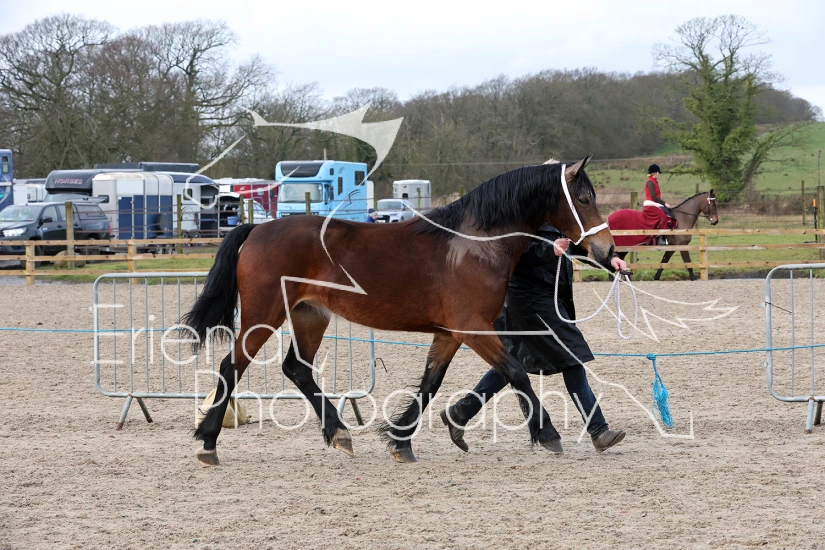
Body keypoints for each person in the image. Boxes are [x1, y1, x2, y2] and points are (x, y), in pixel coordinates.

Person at [441, 224, 628, 454]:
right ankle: (598, 430)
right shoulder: (522, 212)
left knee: (512, 363)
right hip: (530, 300)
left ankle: (460, 412)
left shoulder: (558, 215)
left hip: (550, 298)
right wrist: (548, 251)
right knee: (571, 355)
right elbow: (509, 248)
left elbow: (578, 244)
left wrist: (610, 260)